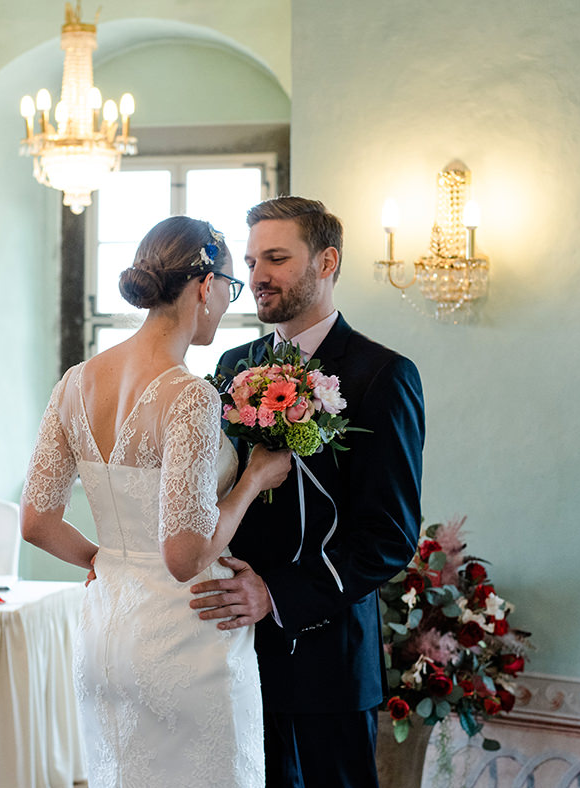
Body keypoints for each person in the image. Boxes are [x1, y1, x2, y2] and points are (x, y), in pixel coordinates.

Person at [20, 215, 292, 788]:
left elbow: (37, 522)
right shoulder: (187, 393)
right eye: (230, 286)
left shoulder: (75, 382)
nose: (227, 301)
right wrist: (254, 479)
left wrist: (104, 559)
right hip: (185, 635)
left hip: (107, 631)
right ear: (203, 284)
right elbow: (184, 556)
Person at [189, 196, 425, 787]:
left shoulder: (382, 375)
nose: (257, 275)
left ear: (326, 262)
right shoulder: (232, 364)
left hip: (329, 665)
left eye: (276, 257)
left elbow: (390, 539)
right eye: (249, 261)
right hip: (230, 650)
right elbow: (203, 489)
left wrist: (277, 595)